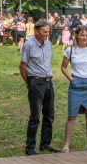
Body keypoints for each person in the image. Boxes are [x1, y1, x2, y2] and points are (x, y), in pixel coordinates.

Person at [19, 21, 59, 156]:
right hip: (35, 81)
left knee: (49, 115)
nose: (47, 34)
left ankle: (45, 144)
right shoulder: (29, 44)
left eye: (48, 31)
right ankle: (30, 147)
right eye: (44, 32)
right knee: (35, 116)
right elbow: (22, 66)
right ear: (36, 31)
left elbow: (47, 62)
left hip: (48, 81)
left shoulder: (48, 44)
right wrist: (28, 83)